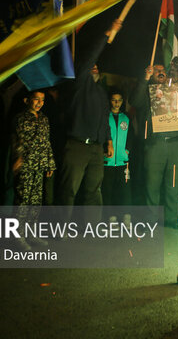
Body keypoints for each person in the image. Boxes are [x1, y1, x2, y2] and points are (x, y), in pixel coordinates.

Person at [57, 22, 120, 217]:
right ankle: (61, 228)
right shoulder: (79, 85)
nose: (94, 67)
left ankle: (92, 226)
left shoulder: (101, 92)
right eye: (90, 66)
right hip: (77, 146)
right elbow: (86, 61)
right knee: (69, 189)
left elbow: (105, 118)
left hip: (95, 148)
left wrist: (108, 141)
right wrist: (105, 37)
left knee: (94, 190)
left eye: (96, 67)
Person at [131, 63, 178, 229]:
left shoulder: (175, 92)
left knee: (174, 183)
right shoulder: (147, 93)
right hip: (155, 144)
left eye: (162, 70)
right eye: (156, 71)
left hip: (175, 144)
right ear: (150, 74)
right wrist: (144, 80)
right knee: (152, 183)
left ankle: (171, 218)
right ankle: (151, 219)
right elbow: (134, 101)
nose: (161, 73)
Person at [11, 90, 56, 250]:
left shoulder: (44, 118)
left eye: (42, 100)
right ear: (26, 100)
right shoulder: (20, 118)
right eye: (36, 99)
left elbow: (46, 141)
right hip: (26, 164)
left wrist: (50, 163)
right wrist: (18, 158)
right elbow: (20, 140)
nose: (39, 102)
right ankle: (18, 236)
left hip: (40, 164)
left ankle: (30, 233)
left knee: (36, 200)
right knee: (23, 200)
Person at [102, 89, 132, 225]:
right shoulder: (104, 117)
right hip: (107, 161)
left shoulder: (126, 118)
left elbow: (131, 137)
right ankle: (110, 216)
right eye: (114, 100)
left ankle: (125, 216)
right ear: (110, 101)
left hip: (122, 161)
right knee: (107, 190)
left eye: (119, 100)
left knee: (123, 190)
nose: (116, 103)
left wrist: (127, 150)